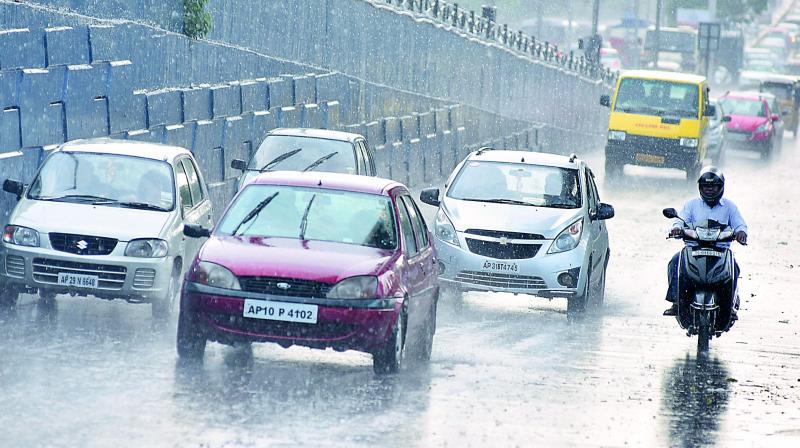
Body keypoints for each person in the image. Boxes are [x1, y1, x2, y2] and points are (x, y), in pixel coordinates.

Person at [663, 166, 748, 316]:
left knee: (734, 267)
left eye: (713, 186)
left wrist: (741, 233)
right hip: (693, 249)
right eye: (706, 186)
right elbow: (680, 221)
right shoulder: (691, 205)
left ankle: (730, 306)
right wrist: (676, 229)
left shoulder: (730, 207)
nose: (709, 190)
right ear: (700, 187)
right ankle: (676, 302)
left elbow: (740, 224)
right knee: (675, 262)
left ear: (720, 187)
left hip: (721, 251)